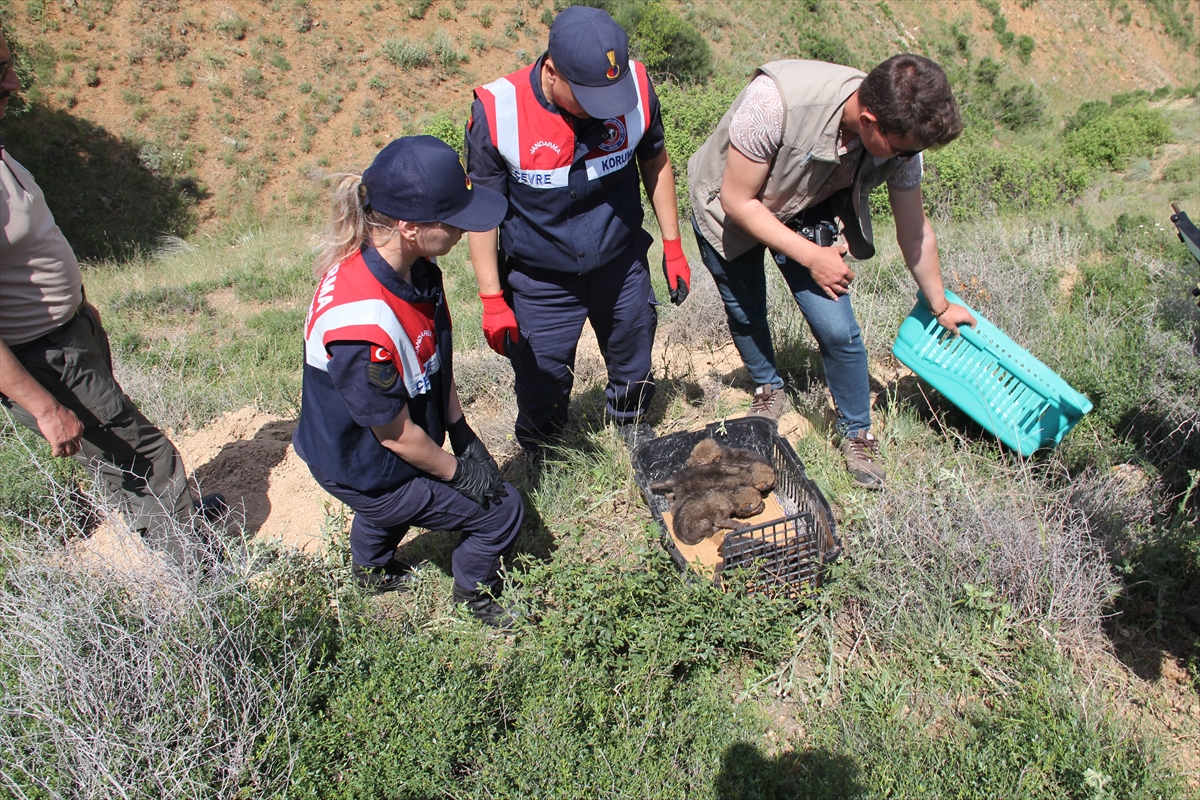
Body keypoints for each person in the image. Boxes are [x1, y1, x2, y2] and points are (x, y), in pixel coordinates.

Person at [687, 54, 977, 489]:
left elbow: (914, 230)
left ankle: (857, 432)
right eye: (904, 150)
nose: (909, 158)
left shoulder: (901, 139)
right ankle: (768, 386)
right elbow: (737, 201)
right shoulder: (774, 103)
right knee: (745, 309)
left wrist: (940, 305)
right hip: (726, 206)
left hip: (806, 202)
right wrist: (811, 256)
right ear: (869, 120)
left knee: (838, 329)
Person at [0, 25, 223, 566]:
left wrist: (79, 307)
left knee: (118, 444)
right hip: (44, 355)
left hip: (66, 333)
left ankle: (179, 524)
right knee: (141, 453)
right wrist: (45, 407)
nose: (12, 82)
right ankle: (200, 575)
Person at [293, 135, 525, 628]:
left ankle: (371, 571)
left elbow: (435, 361)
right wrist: (457, 472)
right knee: (501, 511)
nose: (466, 229)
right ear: (411, 227)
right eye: (455, 219)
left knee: (390, 501)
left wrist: (461, 432)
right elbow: (395, 435)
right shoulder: (361, 322)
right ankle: (473, 595)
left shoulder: (415, 267)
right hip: (362, 459)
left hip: (366, 449)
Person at [465, 5, 692, 453]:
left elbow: (655, 160)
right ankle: (543, 444)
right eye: (585, 95)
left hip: (620, 261)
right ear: (551, 72)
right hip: (540, 279)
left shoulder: (633, 85)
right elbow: (482, 214)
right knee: (540, 377)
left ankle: (629, 419)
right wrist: (492, 299)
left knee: (633, 351)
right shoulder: (498, 112)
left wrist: (673, 246)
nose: (600, 109)